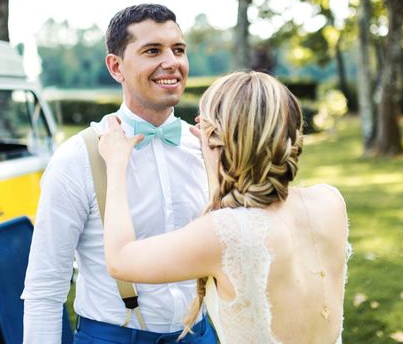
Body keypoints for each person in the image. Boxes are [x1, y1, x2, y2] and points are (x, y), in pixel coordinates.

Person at [98, 71, 351, 344]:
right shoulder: (329, 202)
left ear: (219, 138)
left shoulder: (226, 233)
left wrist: (116, 162)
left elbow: (121, 259)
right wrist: (215, 156)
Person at [22, 3, 217, 343]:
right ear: (116, 67)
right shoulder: (77, 158)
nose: (171, 62)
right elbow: (45, 287)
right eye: (152, 51)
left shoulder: (206, 149)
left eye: (178, 50)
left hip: (199, 333)